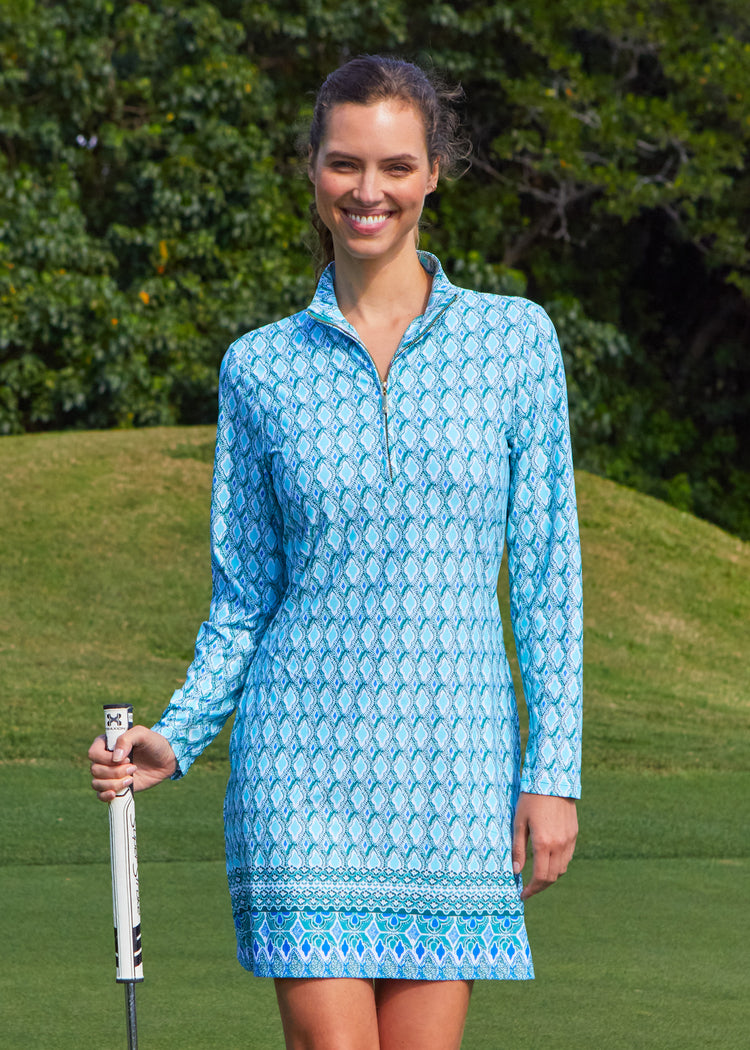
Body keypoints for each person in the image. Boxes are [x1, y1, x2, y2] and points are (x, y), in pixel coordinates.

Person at [89, 55, 582, 1050]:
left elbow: (548, 577)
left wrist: (553, 770)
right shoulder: (258, 366)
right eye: (345, 164)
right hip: (300, 775)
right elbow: (244, 594)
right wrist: (177, 736)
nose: (369, 191)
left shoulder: (516, 342)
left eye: (396, 166)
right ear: (311, 170)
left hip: (456, 771)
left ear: (435, 171)